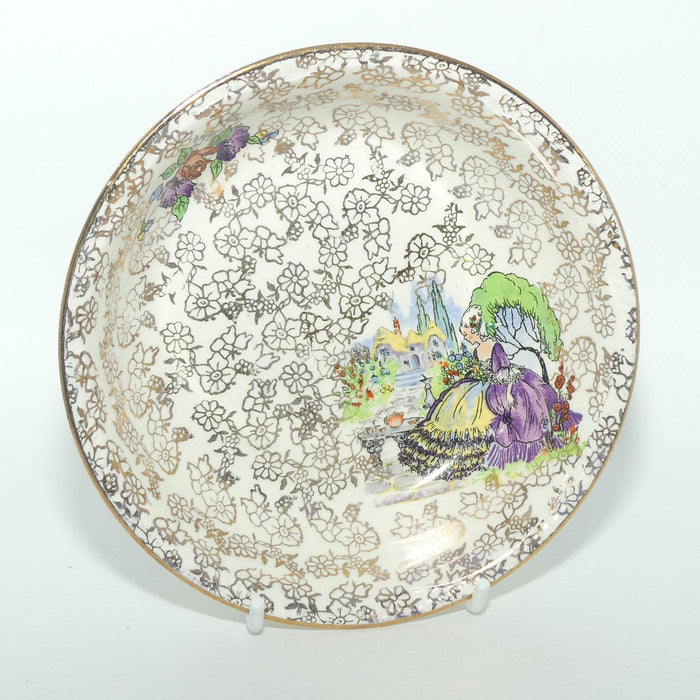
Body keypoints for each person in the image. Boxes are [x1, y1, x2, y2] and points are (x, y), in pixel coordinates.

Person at [398, 306, 574, 479]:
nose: (465, 337)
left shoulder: (495, 346)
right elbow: (478, 372)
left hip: (501, 384)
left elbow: (505, 371)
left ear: (475, 330)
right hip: (481, 385)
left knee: (517, 405)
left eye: (466, 333)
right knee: (455, 403)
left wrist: (507, 394)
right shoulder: (476, 351)